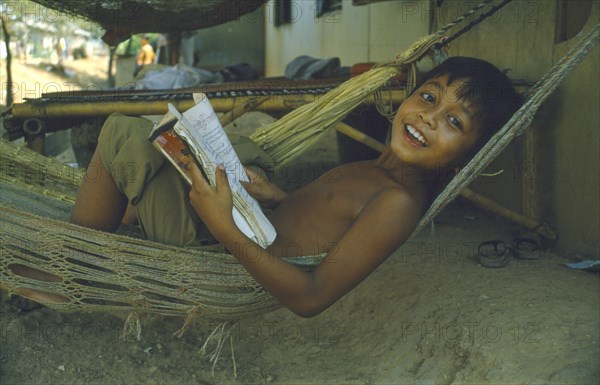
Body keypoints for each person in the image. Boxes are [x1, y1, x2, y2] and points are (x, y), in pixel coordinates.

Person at [71, 57, 521, 317]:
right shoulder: (375, 170)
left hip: (218, 255)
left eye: (454, 122)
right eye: (428, 97)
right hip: (246, 223)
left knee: (120, 134)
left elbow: (311, 298)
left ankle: (70, 265)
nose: (428, 117)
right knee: (242, 150)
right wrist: (278, 198)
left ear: (470, 156)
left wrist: (223, 226)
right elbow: (325, 225)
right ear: (408, 96)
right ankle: (132, 212)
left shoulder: (398, 203)